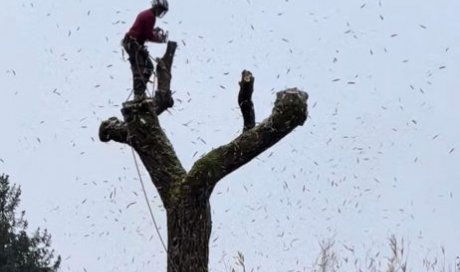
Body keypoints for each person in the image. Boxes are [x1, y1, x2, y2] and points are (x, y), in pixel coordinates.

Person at [122, 0, 169, 101]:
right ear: (157, 7)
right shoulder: (150, 17)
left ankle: (140, 93)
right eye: (161, 10)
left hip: (135, 44)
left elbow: (144, 32)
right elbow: (148, 35)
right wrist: (159, 38)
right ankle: (138, 95)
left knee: (148, 67)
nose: (161, 13)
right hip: (133, 44)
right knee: (141, 69)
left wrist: (153, 31)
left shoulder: (147, 14)